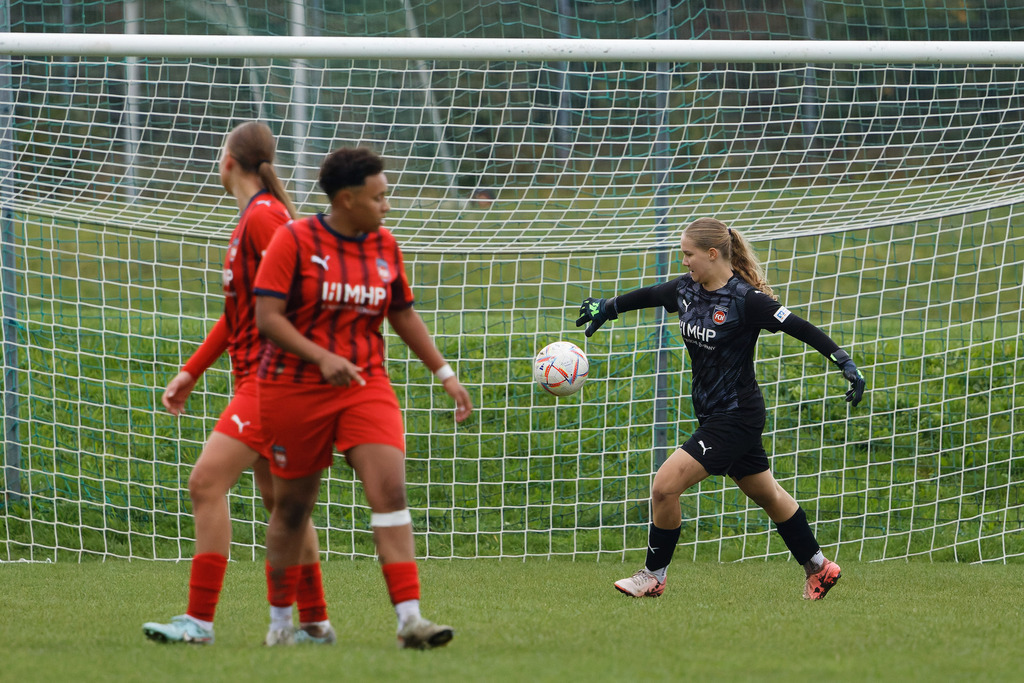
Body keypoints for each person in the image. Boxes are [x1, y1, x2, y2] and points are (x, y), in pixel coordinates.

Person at [575, 217, 866, 601]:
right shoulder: (685, 291)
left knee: (664, 487)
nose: (684, 262)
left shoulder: (747, 300)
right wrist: (607, 308)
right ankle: (819, 568)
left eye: (688, 254)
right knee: (768, 494)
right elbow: (646, 295)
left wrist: (844, 361)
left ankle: (652, 575)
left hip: (737, 415)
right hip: (714, 414)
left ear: (712, 254)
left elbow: (801, 327)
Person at [252, 146, 473, 648]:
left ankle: (410, 620)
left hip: (364, 385)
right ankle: (281, 626)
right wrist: (321, 357)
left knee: (391, 492)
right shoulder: (294, 240)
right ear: (347, 199)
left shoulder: (385, 245)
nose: (387, 206)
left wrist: (445, 373)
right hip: (293, 389)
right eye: (379, 197)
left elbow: (402, 313)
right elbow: (268, 319)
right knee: (291, 509)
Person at [143, 122, 334, 645]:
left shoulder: (265, 219)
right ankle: (315, 624)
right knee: (281, 503)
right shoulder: (252, 219)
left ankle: (199, 622)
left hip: (271, 384)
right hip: (258, 380)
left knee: (206, 484)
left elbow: (306, 286)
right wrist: (191, 371)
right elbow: (239, 316)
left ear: (229, 161)